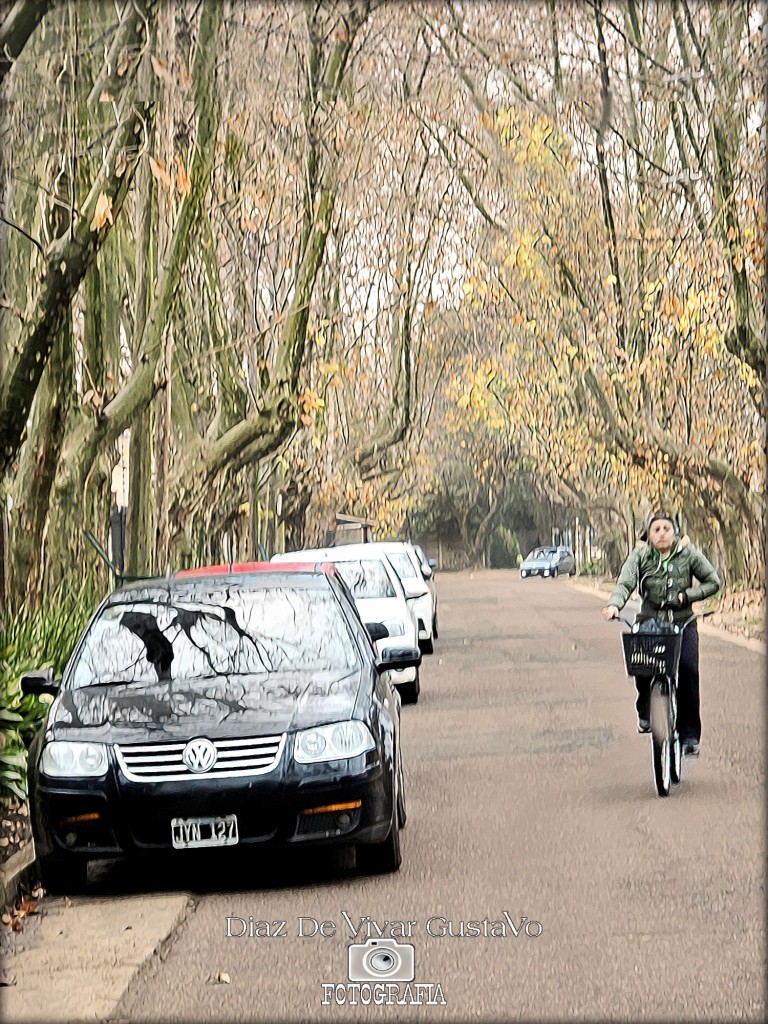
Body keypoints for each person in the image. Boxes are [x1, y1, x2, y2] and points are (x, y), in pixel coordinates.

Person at [601, 513, 720, 757]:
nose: (662, 533)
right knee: (642, 664)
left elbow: (713, 581)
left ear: (674, 533)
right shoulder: (640, 555)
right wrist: (614, 605)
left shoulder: (689, 554)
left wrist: (687, 596)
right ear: (649, 534)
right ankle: (645, 710)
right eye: (657, 529)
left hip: (683, 622)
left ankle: (689, 735)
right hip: (650, 622)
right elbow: (625, 583)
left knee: (688, 670)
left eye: (667, 528)